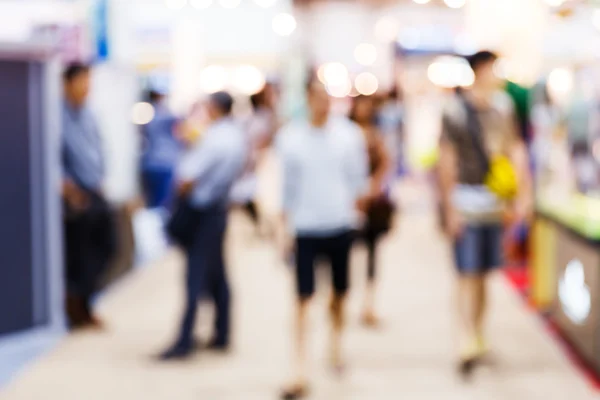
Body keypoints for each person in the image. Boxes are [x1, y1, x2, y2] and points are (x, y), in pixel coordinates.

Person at [438, 51, 532, 376]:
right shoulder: (455, 112)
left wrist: (521, 196)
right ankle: (464, 338)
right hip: (466, 202)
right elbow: (446, 159)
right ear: (480, 70)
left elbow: (514, 149)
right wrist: (449, 208)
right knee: (466, 274)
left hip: (493, 203)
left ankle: (478, 335)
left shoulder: (502, 108)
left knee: (484, 276)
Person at [277, 78, 368, 399]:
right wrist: (282, 229)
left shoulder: (348, 136)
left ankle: (336, 346)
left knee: (339, 294)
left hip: (339, 224)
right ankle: (300, 366)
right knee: (303, 298)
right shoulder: (290, 139)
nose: (322, 103)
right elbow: (286, 188)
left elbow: (358, 180)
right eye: (316, 97)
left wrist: (358, 212)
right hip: (306, 227)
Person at [159, 91, 247, 360]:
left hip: (203, 213)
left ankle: (185, 339)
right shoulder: (234, 137)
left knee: (195, 277)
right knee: (217, 274)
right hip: (216, 211)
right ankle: (222, 333)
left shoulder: (216, 139)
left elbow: (187, 178)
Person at [61, 62, 115, 329]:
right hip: (75, 196)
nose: (86, 87)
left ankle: (84, 301)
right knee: (79, 254)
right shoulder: (55, 115)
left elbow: (99, 148)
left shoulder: (90, 113)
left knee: (108, 246)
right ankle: (77, 307)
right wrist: (68, 189)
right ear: (67, 83)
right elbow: (52, 155)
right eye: (82, 81)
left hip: (95, 190)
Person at [349, 95, 393, 327]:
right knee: (349, 256)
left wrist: (373, 188)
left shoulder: (375, 135)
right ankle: (346, 300)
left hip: (372, 204)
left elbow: (386, 162)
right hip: (351, 203)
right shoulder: (344, 135)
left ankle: (368, 303)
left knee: (371, 256)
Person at [230, 83, 278, 234]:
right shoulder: (260, 119)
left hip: (260, 164)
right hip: (259, 164)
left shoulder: (260, 118)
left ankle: (265, 226)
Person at [140, 88, 182, 210]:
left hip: (149, 163)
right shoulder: (166, 114)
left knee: (152, 201)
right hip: (164, 164)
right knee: (162, 204)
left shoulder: (147, 113)